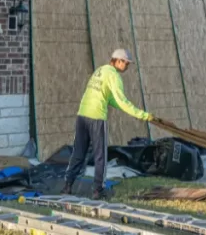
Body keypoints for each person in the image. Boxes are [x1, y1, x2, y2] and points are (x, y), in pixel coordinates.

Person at [62, 49, 155, 200]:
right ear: (118, 61)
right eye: (126, 63)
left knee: (78, 153)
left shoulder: (100, 71)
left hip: (82, 116)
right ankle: (98, 190)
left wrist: (124, 108)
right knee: (101, 156)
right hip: (97, 117)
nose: (127, 67)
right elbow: (121, 101)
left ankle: (67, 186)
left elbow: (110, 99)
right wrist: (142, 115)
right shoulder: (114, 76)